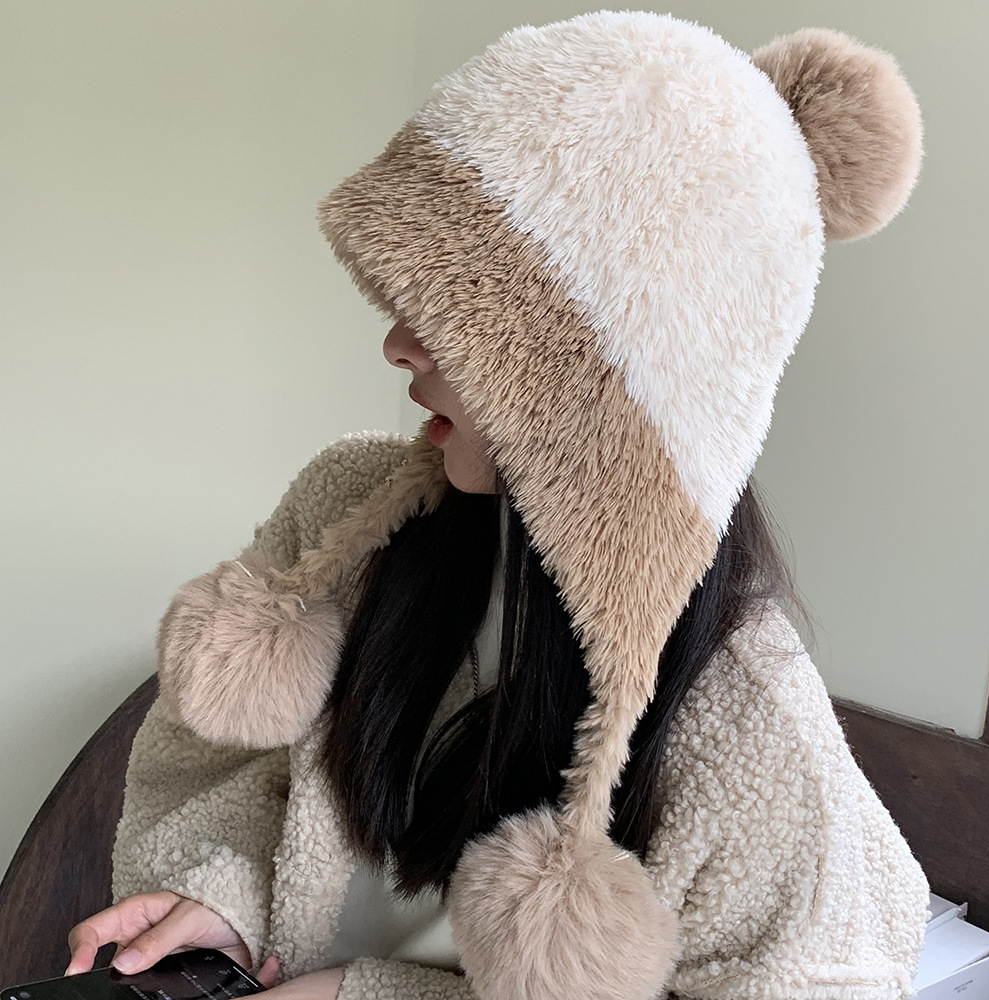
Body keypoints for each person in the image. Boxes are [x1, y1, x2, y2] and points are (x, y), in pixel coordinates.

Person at [66, 12, 928, 1000]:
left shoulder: (742, 715)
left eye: (456, 317)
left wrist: (357, 996)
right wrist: (226, 902)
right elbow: (223, 774)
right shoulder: (344, 511)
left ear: (603, 375)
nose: (397, 345)